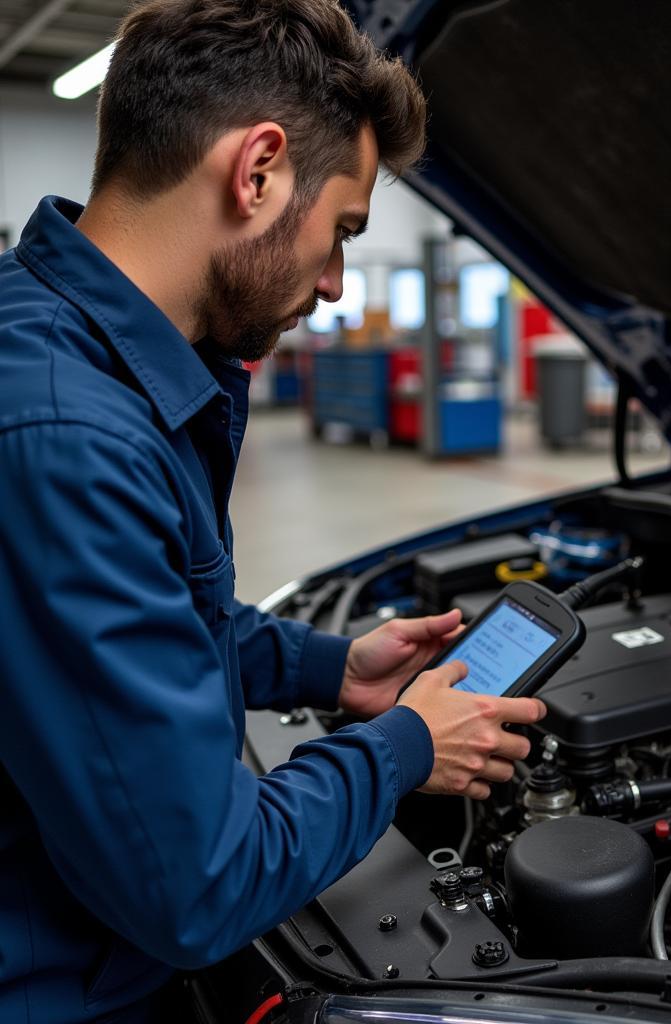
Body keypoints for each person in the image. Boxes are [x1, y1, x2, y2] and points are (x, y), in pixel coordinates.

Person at [0, 2, 546, 1022]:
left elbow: (148, 620)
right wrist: (409, 745)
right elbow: (199, 886)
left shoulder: (54, 342)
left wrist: (329, 667)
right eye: (341, 231)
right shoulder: (67, 436)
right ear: (256, 173)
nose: (337, 285)